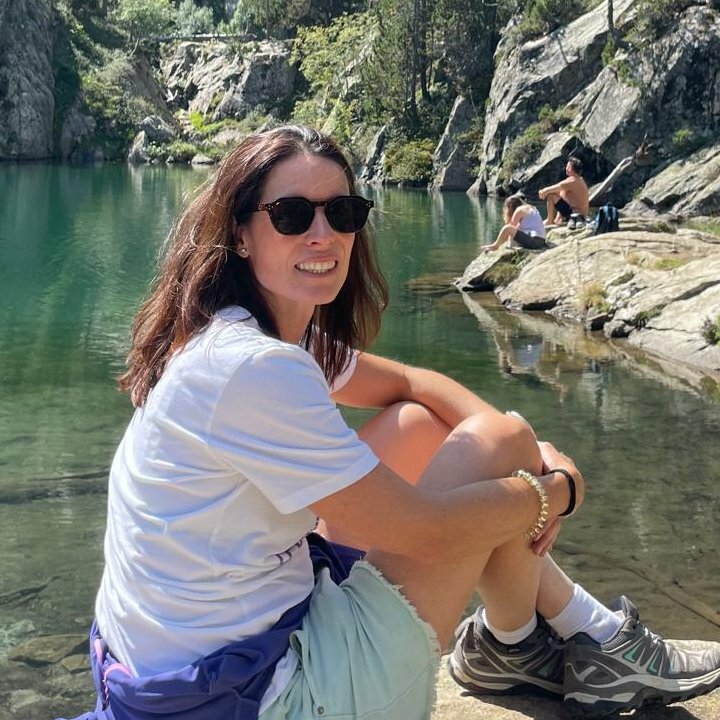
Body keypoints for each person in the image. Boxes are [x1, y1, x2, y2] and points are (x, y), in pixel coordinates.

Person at [61, 125, 720, 720]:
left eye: (343, 213)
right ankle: (548, 638)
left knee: (419, 425)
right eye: (292, 215)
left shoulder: (240, 332)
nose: (323, 235)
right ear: (240, 233)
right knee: (502, 441)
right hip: (262, 697)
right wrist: (553, 489)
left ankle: (535, 639)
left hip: (193, 671)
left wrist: (529, 454)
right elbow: (426, 533)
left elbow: (409, 385)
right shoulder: (252, 368)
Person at [480, 193, 546, 252]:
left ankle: (495, 246)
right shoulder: (530, 208)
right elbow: (517, 230)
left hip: (535, 242)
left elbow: (511, 228)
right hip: (540, 241)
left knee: (507, 228)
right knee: (515, 228)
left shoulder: (519, 210)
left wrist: (509, 246)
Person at [539, 156, 590, 226]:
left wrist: (543, 192)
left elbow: (554, 188)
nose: (566, 168)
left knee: (551, 196)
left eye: (568, 166)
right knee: (557, 193)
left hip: (576, 215)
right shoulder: (579, 180)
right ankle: (554, 220)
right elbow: (560, 195)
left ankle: (550, 220)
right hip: (579, 215)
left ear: (571, 169)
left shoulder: (573, 180)